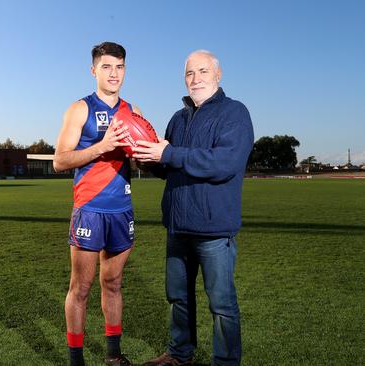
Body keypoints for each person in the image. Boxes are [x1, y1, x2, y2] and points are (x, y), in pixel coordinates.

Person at [132, 50, 254, 366]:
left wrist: (169, 154)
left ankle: (225, 362)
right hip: (178, 226)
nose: (195, 78)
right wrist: (144, 154)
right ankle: (178, 355)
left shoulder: (234, 113)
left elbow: (223, 164)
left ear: (218, 74)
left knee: (222, 305)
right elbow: (168, 165)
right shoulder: (178, 117)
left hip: (214, 229)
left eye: (202, 71)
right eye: (189, 73)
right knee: (177, 299)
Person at [54, 41, 142, 366]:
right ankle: (76, 361)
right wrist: (102, 146)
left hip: (122, 210)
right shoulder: (80, 108)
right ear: (94, 70)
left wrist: (156, 152)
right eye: (106, 66)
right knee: (81, 287)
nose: (113, 73)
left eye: (119, 67)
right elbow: (60, 161)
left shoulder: (133, 113)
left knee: (114, 282)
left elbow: (143, 156)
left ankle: (113, 356)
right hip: (89, 210)